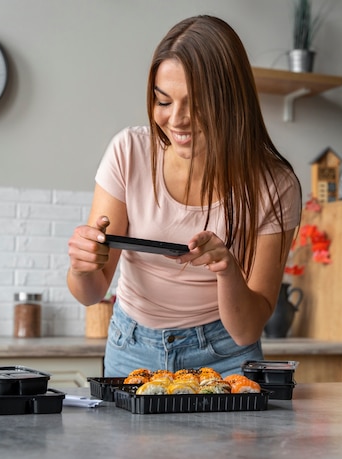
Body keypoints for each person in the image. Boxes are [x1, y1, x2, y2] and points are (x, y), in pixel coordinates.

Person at [67, 15, 301, 377]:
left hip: (226, 356)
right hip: (131, 349)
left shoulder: (274, 184)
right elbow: (90, 292)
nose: (177, 120)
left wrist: (228, 272)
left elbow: (247, 329)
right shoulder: (128, 152)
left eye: (195, 103)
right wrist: (82, 265)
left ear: (232, 101)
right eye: (163, 101)